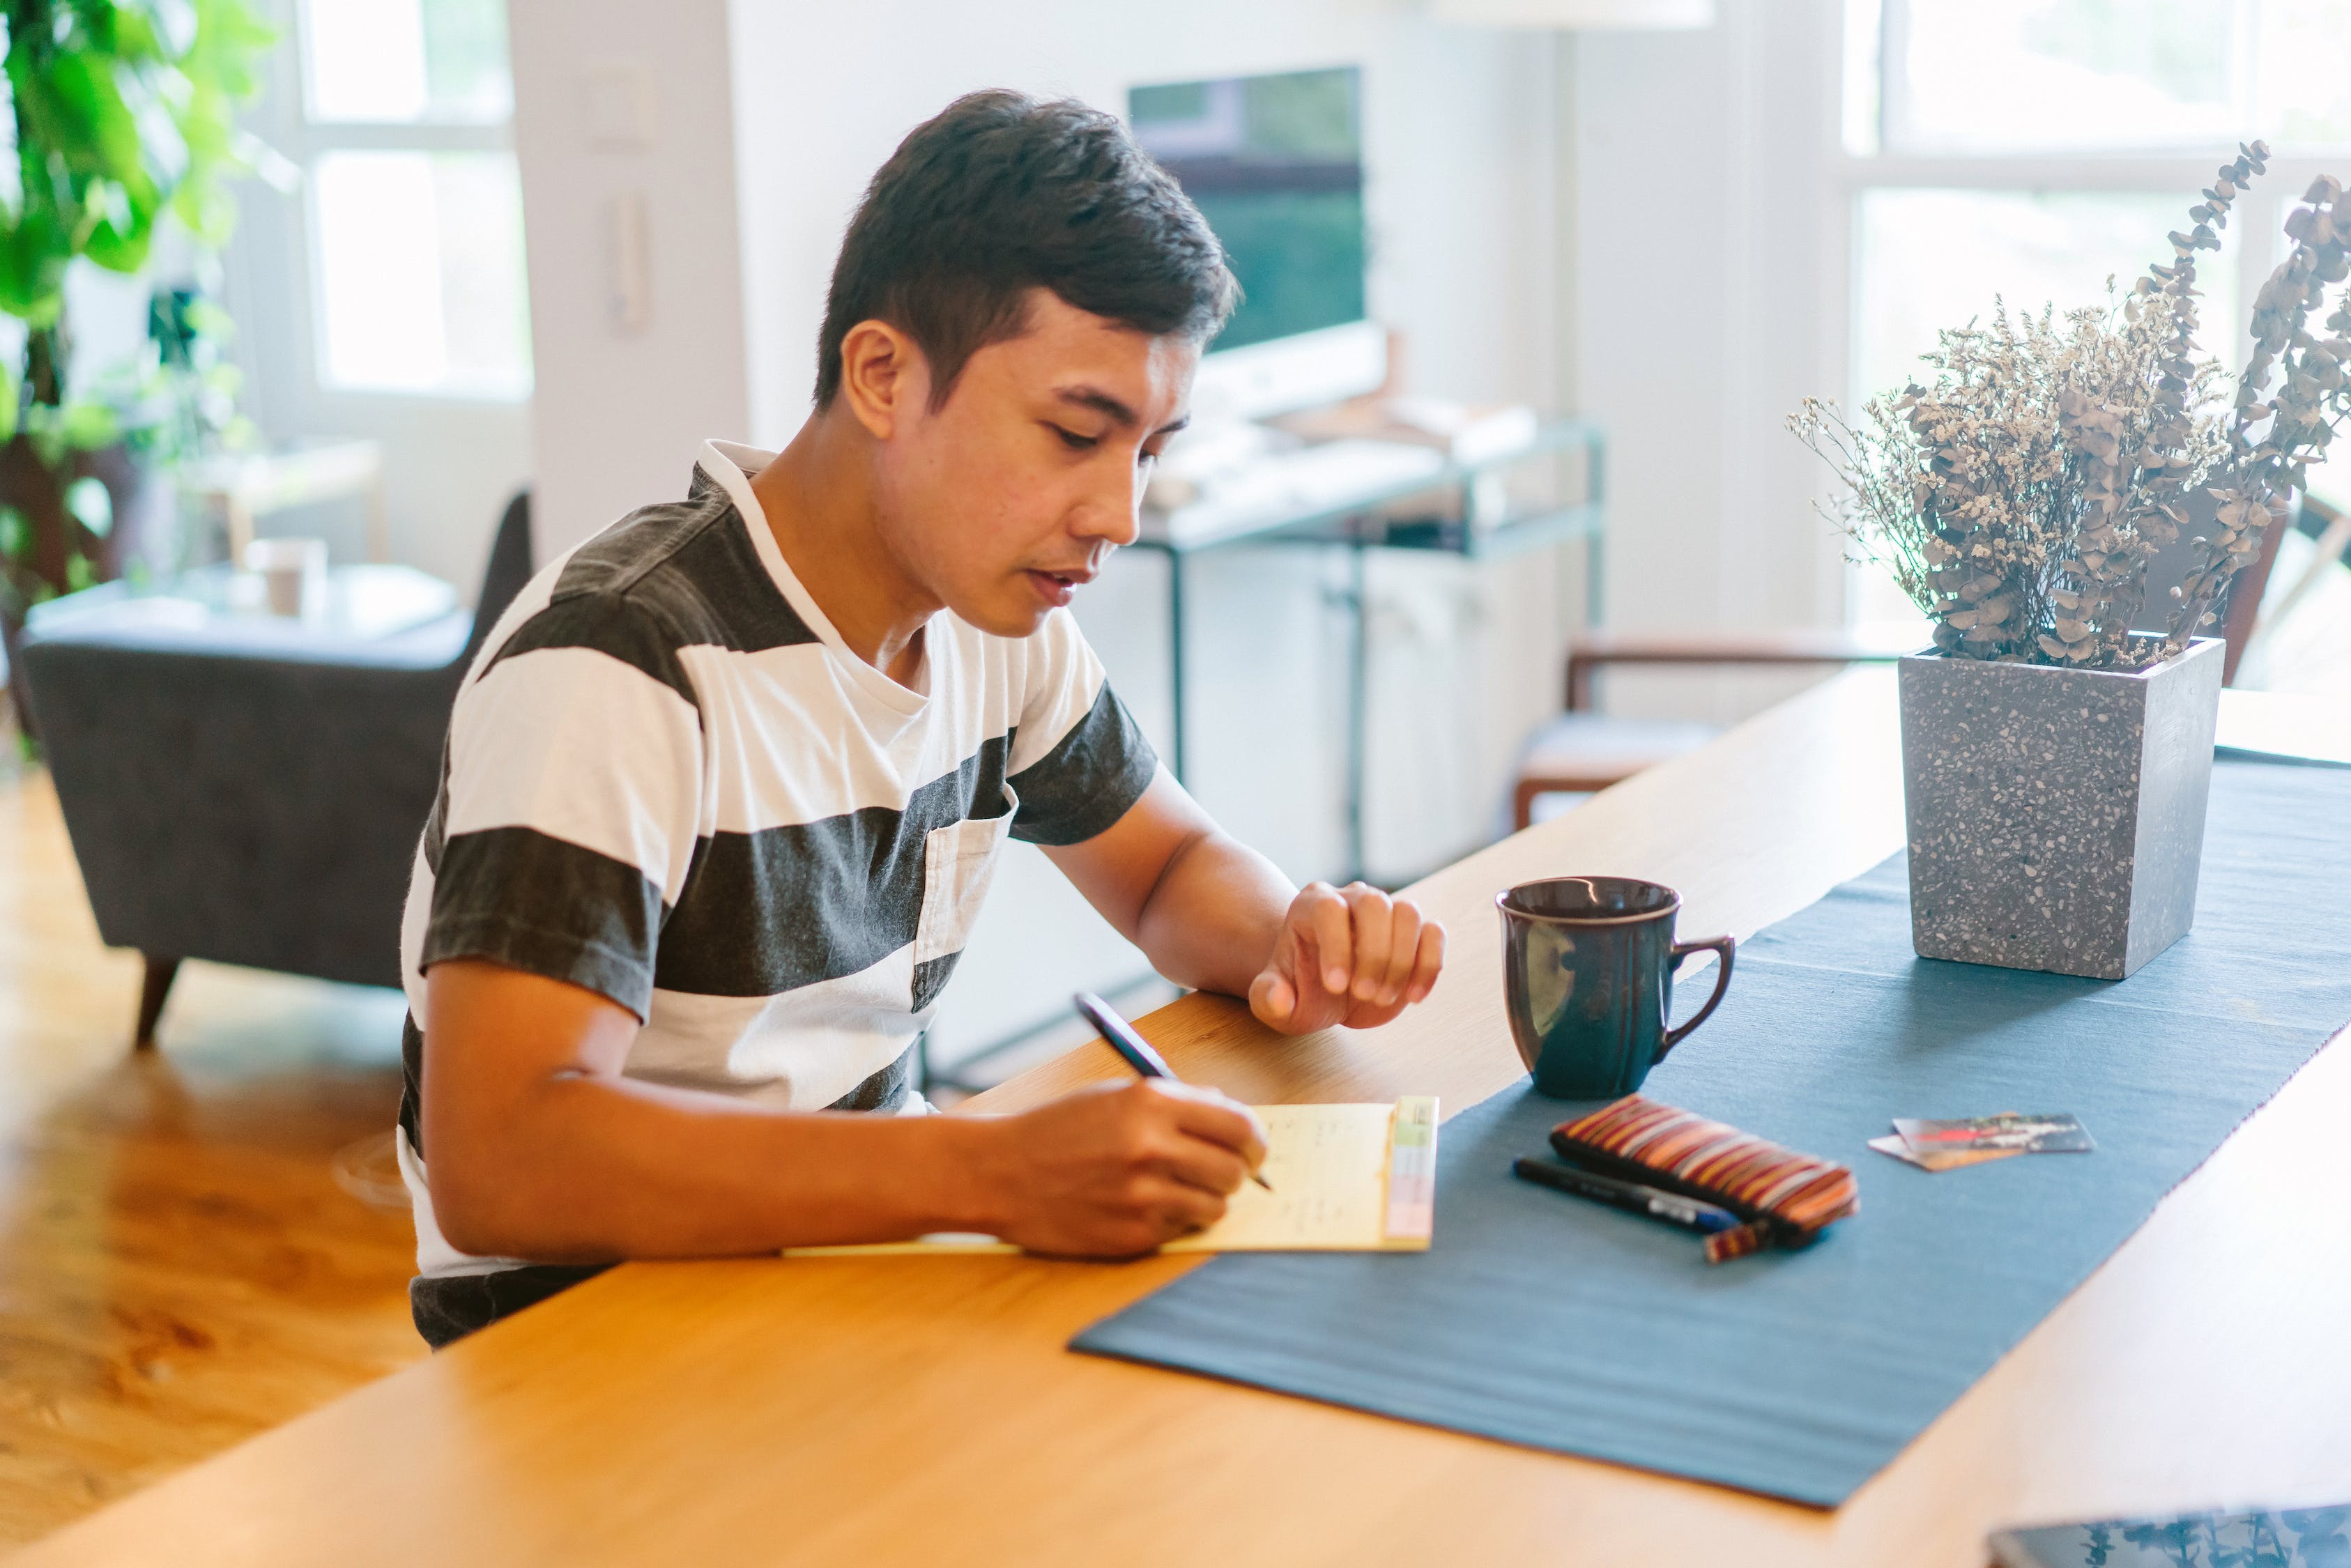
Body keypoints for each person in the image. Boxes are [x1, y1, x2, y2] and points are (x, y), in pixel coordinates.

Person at [398, 89, 1448, 1348]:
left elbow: (1166, 867)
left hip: (849, 1277)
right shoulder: (620, 663)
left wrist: (1293, 936)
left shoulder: (991, 631)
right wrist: (989, 1172)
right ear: (884, 374)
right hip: (590, 1332)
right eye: (1075, 433)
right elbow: (504, 1154)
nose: (1116, 512)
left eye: (1151, 452)